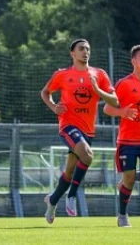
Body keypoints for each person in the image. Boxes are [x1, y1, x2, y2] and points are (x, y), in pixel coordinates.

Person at [42, 39, 119, 223]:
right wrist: (54, 107)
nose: (85, 52)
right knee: (87, 155)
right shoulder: (62, 74)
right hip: (68, 125)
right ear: (72, 54)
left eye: (88, 49)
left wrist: (98, 90)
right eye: (81, 49)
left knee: (69, 171)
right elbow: (45, 92)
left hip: (88, 130)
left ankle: (52, 201)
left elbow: (115, 101)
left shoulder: (99, 74)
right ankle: (72, 195)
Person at [104, 44, 140, 227]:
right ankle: (122, 216)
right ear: (133, 61)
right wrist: (123, 113)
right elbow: (107, 108)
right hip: (127, 141)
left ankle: (130, 177)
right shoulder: (124, 84)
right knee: (128, 179)